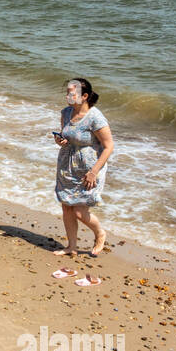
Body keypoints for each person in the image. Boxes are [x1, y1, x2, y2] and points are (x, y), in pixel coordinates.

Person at [53, 77, 114, 258]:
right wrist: (61, 141)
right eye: (67, 92)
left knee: (80, 211)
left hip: (89, 170)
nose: (67, 96)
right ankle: (71, 246)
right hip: (67, 166)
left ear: (84, 96)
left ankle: (100, 233)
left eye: (71, 93)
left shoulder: (95, 117)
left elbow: (109, 145)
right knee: (66, 207)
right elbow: (67, 138)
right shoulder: (66, 113)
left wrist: (94, 172)